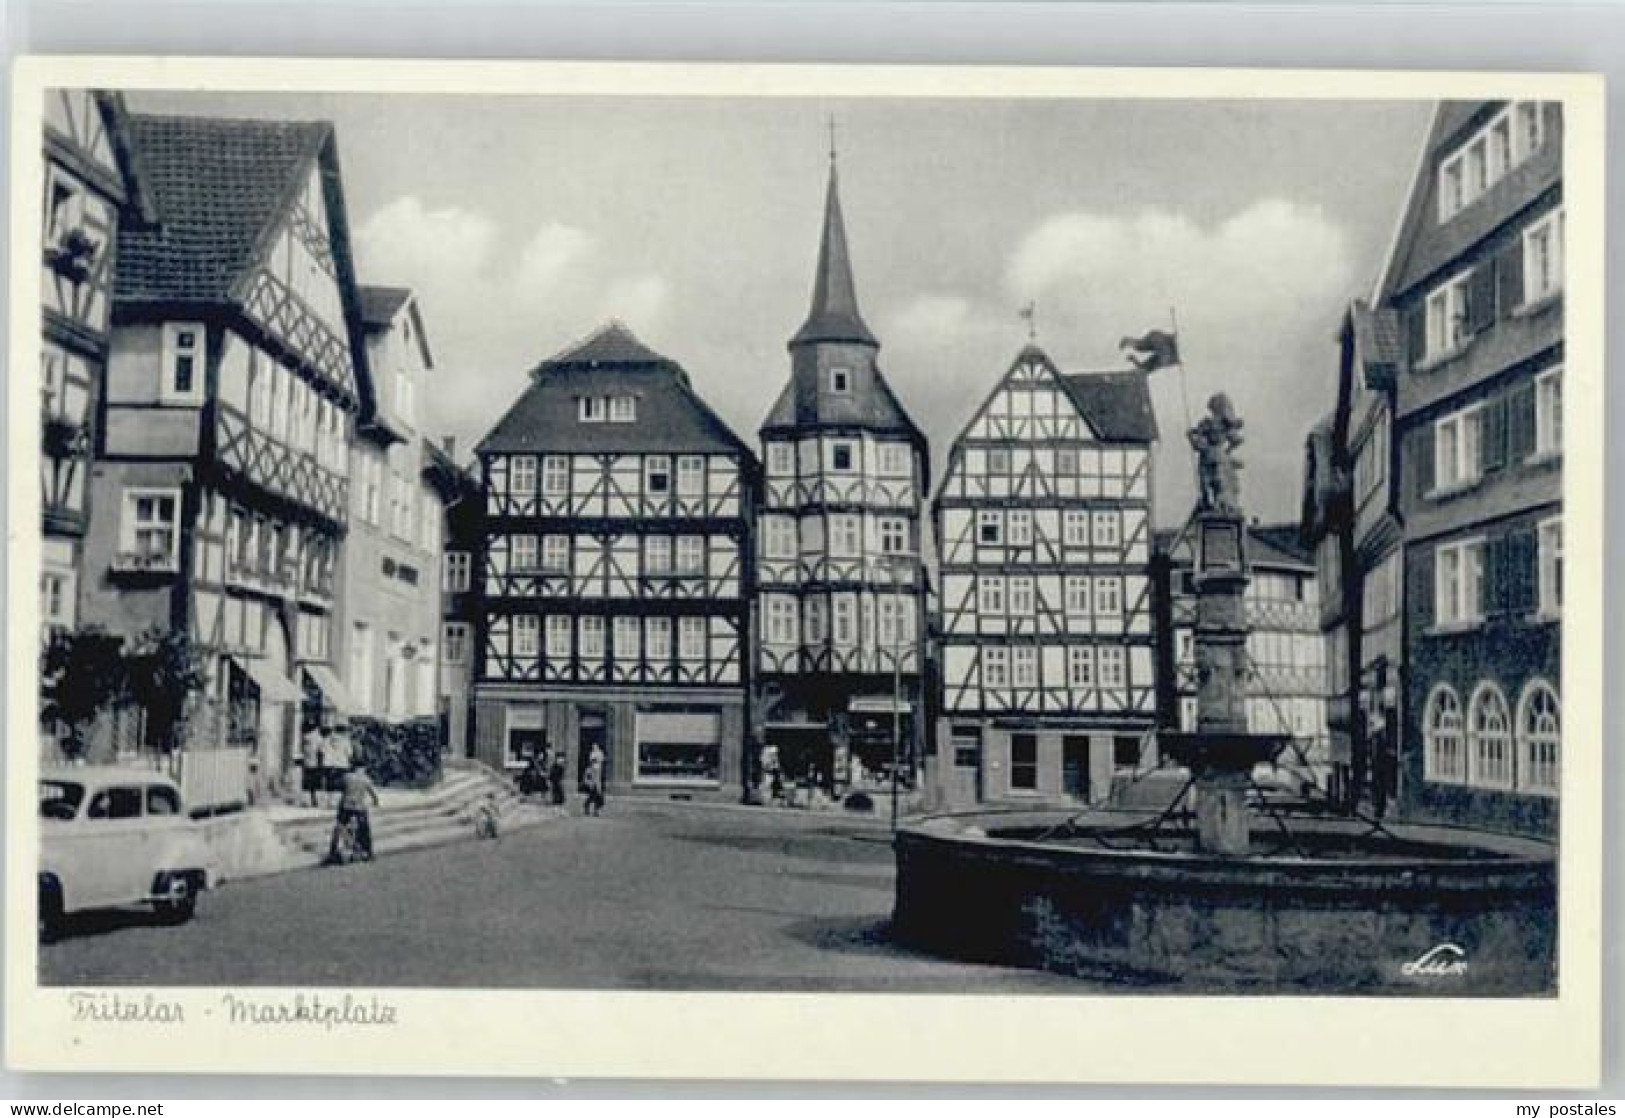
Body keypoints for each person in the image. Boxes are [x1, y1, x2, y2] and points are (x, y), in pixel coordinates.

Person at [329, 763, 380, 862]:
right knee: (365, 829)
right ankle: (369, 852)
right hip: (359, 807)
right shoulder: (366, 779)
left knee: (339, 827)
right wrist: (376, 802)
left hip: (345, 806)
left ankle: (332, 851)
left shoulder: (346, 777)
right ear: (361, 768)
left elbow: (338, 786)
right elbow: (373, 793)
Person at [582, 744, 606, 817]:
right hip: (593, 785)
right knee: (595, 797)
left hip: (597, 784)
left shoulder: (600, 768)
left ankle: (594, 810)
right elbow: (587, 777)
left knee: (597, 798)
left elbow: (600, 777)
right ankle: (591, 809)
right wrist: (589, 783)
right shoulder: (591, 768)